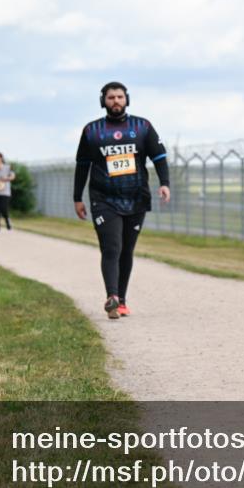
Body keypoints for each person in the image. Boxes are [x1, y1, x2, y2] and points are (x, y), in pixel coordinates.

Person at [73, 81, 170, 319]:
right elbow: (82, 167)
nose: (115, 101)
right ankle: (112, 297)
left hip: (136, 197)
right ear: (103, 101)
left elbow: (159, 157)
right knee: (112, 247)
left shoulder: (143, 126)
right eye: (110, 98)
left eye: (119, 97)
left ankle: (122, 301)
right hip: (103, 198)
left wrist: (165, 183)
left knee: (127, 250)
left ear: (126, 99)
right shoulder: (91, 131)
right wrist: (77, 197)